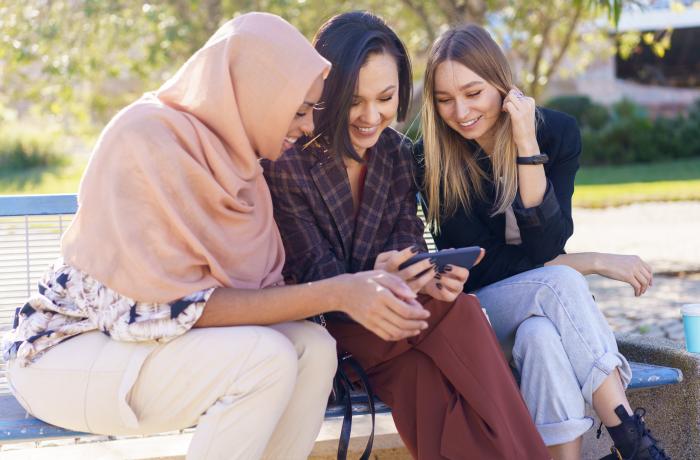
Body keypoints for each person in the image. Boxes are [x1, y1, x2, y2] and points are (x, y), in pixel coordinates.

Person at [3, 13, 432, 460]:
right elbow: (168, 309)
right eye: (301, 110)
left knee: (315, 349)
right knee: (264, 358)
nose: (308, 127)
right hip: (67, 354)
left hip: (159, 350)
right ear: (256, 94)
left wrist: (354, 288)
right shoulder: (147, 138)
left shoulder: (241, 168)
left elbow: (256, 298)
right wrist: (339, 293)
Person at [264, 11, 550, 460]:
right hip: (328, 328)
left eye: (385, 98)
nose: (371, 116)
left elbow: (410, 243)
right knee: (460, 314)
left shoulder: (396, 153)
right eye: (353, 100)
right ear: (326, 93)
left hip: (400, 333)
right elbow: (311, 274)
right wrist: (373, 281)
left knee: (425, 380)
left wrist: (429, 278)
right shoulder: (288, 160)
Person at [416, 24, 668, 460]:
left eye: (473, 93)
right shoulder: (433, 158)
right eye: (444, 100)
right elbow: (483, 267)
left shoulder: (556, 134)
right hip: (476, 314)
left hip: (532, 313)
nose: (459, 111)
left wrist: (526, 144)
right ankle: (635, 443)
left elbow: (548, 244)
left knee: (539, 337)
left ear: (502, 83)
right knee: (562, 282)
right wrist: (590, 261)